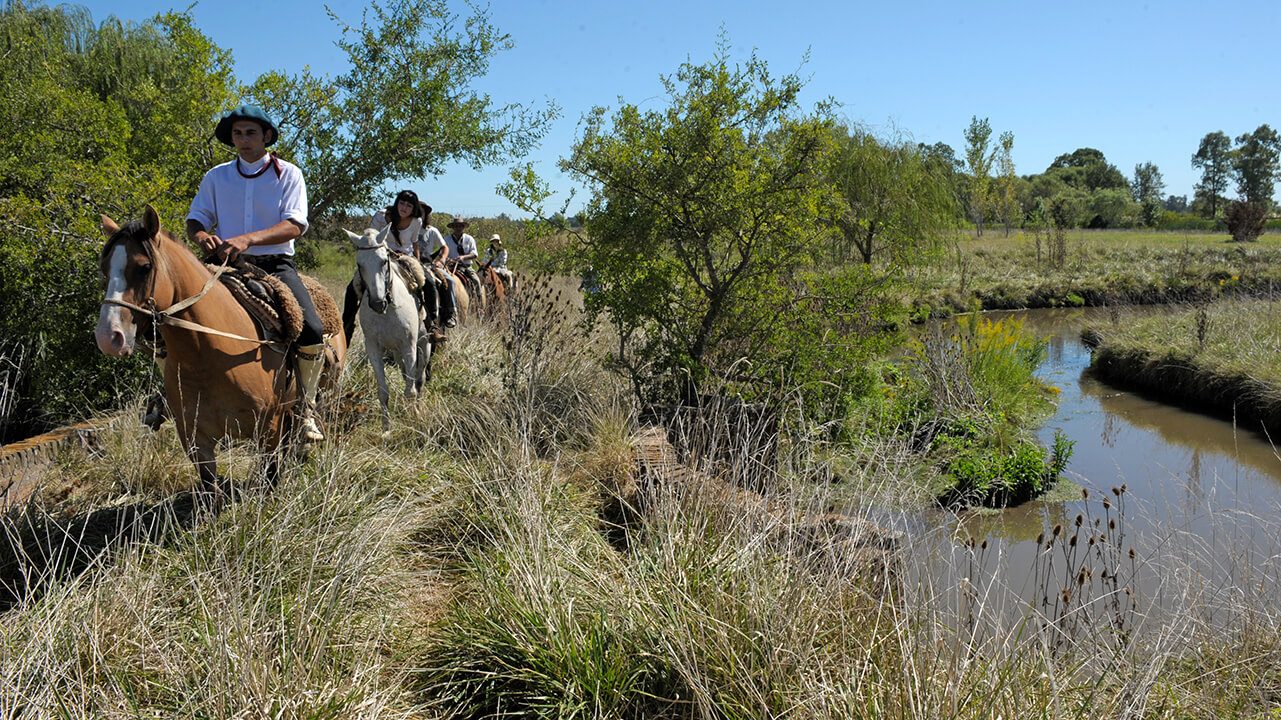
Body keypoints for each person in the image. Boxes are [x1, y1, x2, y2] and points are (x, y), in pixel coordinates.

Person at [186, 104, 329, 442]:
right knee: (171, 318)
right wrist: (204, 236)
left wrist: (247, 238)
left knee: (311, 328)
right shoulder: (216, 177)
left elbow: (295, 225)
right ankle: (167, 398)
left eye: (251, 133)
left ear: (266, 136)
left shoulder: (289, 174)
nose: (244, 140)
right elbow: (196, 218)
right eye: (238, 133)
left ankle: (306, 407)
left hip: (275, 265)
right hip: (225, 264)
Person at [341, 189, 424, 345]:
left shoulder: (416, 222)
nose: (404, 207)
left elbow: (414, 243)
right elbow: (370, 236)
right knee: (353, 287)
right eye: (402, 203)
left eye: (409, 205)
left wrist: (417, 260)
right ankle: (345, 326)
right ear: (397, 202)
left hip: (404, 258)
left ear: (414, 209)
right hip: (380, 257)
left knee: (430, 283)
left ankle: (430, 323)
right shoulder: (381, 216)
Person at [415, 202, 456, 335]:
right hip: (408, 261)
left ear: (426, 213)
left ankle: (449, 312)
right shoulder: (406, 227)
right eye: (417, 210)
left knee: (449, 280)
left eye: (422, 211)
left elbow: (444, 247)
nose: (419, 213)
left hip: (427, 263)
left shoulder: (432, 230)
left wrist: (441, 259)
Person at [444, 216, 480, 300]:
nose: (458, 228)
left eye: (460, 226)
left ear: (463, 227)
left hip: (466, 266)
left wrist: (463, 257)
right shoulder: (446, 239)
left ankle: (479, 304)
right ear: (453, 227)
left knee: (476, 281)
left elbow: (475, 254)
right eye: (456, 226)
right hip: (450, 267)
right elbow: (442, 253)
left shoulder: (469, 239)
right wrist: (447, 259)